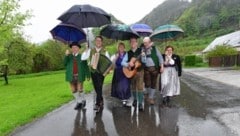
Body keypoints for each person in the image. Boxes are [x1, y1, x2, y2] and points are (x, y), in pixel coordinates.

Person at [64, 42, 90, 110]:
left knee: (79, 89)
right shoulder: (69, 56)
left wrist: (88, 75)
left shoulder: (82, 56)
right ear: (71, 49)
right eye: (72, 47)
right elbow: (64, 63)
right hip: (71, 76)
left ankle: (83, 100)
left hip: (80, 75)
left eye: (76, 47)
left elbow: (86, 66)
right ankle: (79, 102)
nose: (74, 49)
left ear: (79, 48)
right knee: (73, 90)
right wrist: (66, 55)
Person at [121, 37, 144, 111]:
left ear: (137, 43)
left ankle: (140, 103)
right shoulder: (128, 52)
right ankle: (135, 100)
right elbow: (122, 63)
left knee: (140, 87)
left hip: (140, 71)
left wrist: (143, 56)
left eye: (134, 42)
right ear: (130, 43)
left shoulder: (141, 51)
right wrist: (128, 63)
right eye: (131, 42)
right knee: (133, 86)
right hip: (131, 72)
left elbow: (145, 61)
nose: (133, 43)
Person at [89, 36, 110, 112]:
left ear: (102, 42)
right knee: (96, 87)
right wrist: (90, 63)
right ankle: (100, 99)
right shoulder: (91, 50)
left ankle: (97, 104)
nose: (98, 42)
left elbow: (108, 62)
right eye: (97, 40)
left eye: (100, 40)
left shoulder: (105, 51)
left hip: (101, 72)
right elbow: (85, 58)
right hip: (93, 71)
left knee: (99, 86)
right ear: (95, 41)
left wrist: (106, 71)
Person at [141, 37, 164, 105]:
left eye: (146, 42)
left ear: (149, 42)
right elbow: (143, 61)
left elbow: (160, 57)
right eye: (144, 43)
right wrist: (143, 56)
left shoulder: (154, 48)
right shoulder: (142, 49)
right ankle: (148, 92)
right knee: (147, 84)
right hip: (146, 69)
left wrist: (162, 66)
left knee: (153, 83)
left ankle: (151, 98)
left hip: (155, 69)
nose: (144, 44)